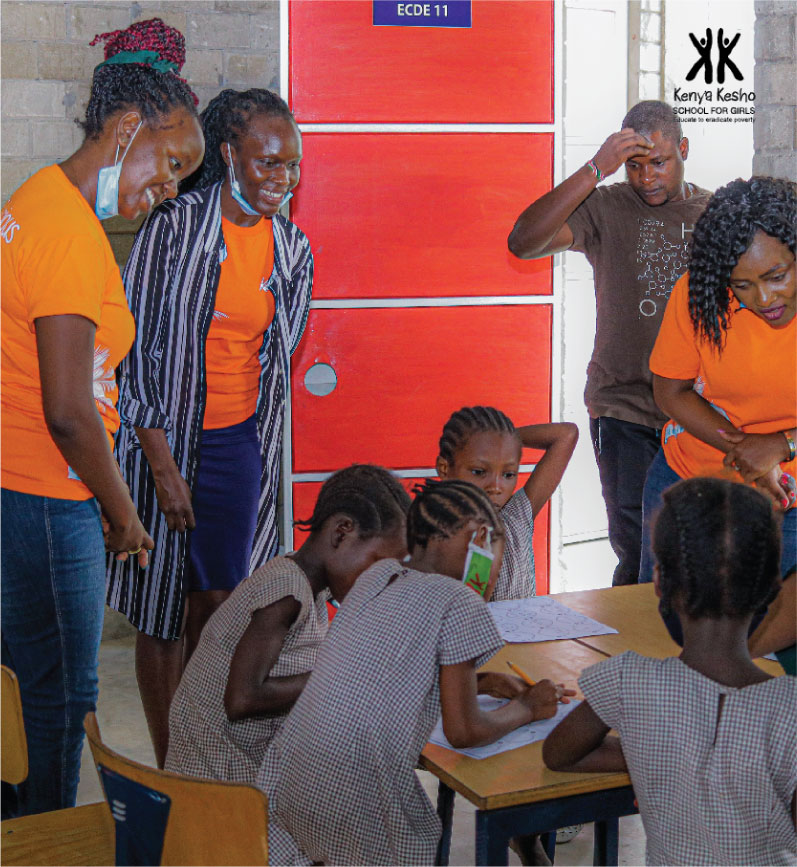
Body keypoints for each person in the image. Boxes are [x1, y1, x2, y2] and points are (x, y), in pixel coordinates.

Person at [0, 18, 203, 817]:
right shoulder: (68, 236)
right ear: (126, 129)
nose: (173, 187)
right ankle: (46, 843)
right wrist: (121, 514)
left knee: (22, 683)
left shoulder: (38, 199)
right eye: (172, 162)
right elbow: (68, 411)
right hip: (50, 495)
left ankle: (19, 831)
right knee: (61, 697)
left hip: (19, 484)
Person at [106, 87, 313, 768]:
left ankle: (203, 752)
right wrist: (163, 468)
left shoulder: (292, 250)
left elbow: (277, 363)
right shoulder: (172, 229)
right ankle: (172, 767)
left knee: (221, 608)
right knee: (162, 610)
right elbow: (131, 353)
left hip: (238, 445)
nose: (282, 178)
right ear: (228, 154)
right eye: (267, 162)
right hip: (161, 445)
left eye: (292, 164)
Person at [256, 479, 575, 866]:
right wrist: (528, 707)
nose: (496, 566)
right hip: (357, 803)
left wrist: (484, 682)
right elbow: (464, 731)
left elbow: (386, 673)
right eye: (496, 547)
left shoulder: (375, 578)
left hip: (287, 782)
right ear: (480, 541)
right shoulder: (458, 601)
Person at [543, 478, 797, 866]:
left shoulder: (628, 681)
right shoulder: (789, 710)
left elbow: (559, 754)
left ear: (659, 582)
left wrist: (661, 751)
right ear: (773, 590)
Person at [508, 101, 711, 586]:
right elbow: (523, 242)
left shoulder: (712, 213)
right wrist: (596, 168)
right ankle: (631, 636)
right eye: (634, 165)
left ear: (683, 150)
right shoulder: (607, 206)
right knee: (638, 550)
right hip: (623, 408)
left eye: (659, 162)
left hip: (695, 410)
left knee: (691, 550)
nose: (647, 178)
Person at [164, 465, 410, 783]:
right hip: (217, 784)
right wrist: (340, 675)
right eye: (377, 564)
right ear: (341, 532)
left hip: (236, 771)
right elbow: (242, 699)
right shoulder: (285, 589)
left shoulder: (310, 590)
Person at [640, 177, 796, 637]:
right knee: (666, 633)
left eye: (777, 276)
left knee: (762, 642)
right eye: (742, 285)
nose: (764, 299)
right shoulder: (699, 295)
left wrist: (782, 445)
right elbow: (672, 392)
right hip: (692, 484)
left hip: (787, 506)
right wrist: (748, 453)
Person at [436, 405, 578, 599]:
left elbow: (566, 435)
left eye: (508, 474)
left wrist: (503, 439)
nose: (496, 487)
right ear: (444, 469)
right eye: (479, 472)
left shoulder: (514, 517)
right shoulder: (436, 535)